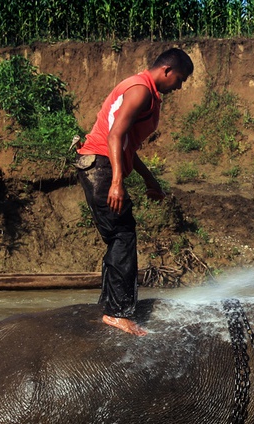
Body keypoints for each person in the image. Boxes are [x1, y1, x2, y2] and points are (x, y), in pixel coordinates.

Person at [75, 48, 194, 336]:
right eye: (180, 79)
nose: (179, 86)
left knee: (120, 235)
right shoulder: (141, 90)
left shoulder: (147, 93)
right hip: (101, 165)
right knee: (122, 234)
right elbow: (114, 135)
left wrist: (150, 181)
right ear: (166, 70)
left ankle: (110, 305)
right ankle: (116, 313)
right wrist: (117, 181)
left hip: (101, 164)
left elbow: (128, 145)